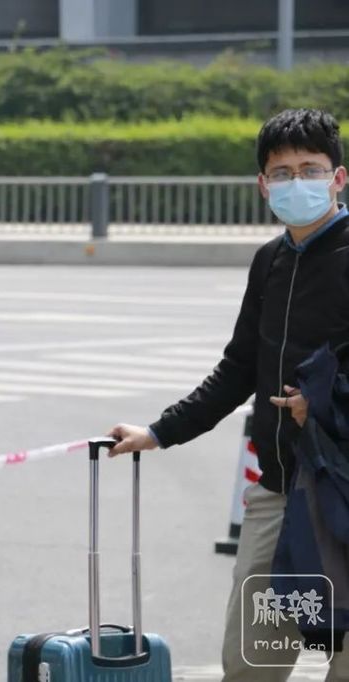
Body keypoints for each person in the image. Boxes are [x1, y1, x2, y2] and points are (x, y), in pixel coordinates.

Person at [107, 109, 349, 681]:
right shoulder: (270, 261)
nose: (297, 182)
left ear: (338, 178)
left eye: (310, 169)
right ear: (264, 185)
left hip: (344, 493)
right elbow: (239, 368)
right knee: (251, 661)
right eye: (282, 173)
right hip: (279, 492)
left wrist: (327, 403)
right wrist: (160, 431)